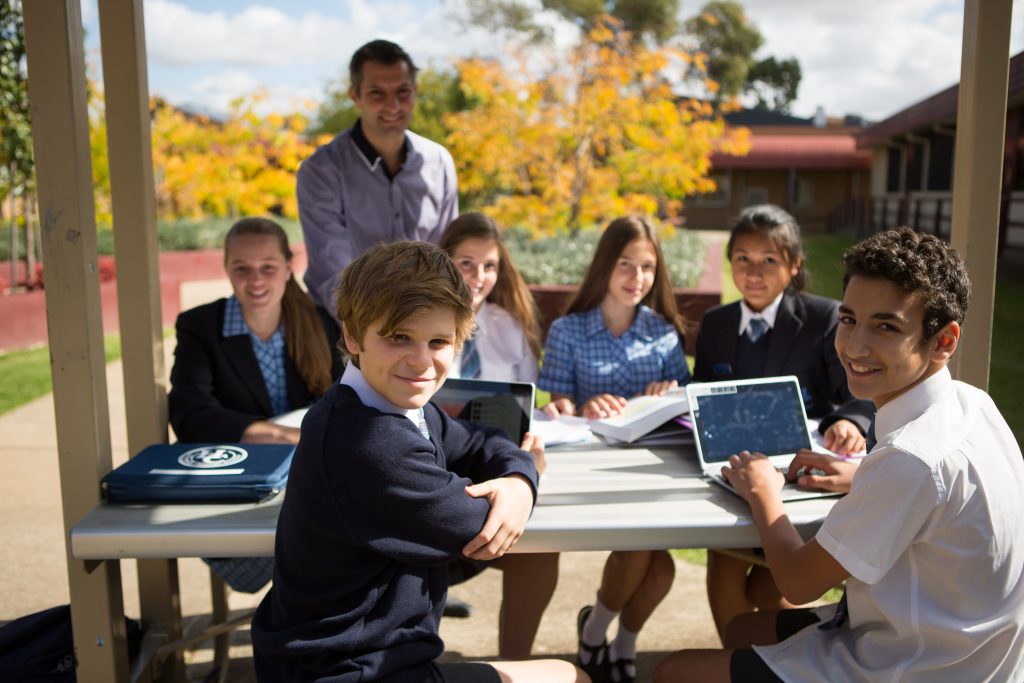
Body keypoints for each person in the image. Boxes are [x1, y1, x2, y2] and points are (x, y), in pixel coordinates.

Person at [655, 227, 1024, 682]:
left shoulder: (910, 461)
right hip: (970, 646)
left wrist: (764, 491)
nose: (854, 346)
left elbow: (798, 583)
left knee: (673, 671)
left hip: (918, 665)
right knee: (741, 629)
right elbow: (935, 493)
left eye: (886, 326)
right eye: (848, 319)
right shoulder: (973, 403)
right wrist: (861, 475)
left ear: (944, 341)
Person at [250, 241, 587, 682]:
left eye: (438, 341)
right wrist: (526, 477)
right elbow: (480, 527)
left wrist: (516, 478)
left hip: (357, 657)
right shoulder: (367, 439)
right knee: (569, 676)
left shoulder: (388, 405)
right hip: (349, 670)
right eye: (399, 337)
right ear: (352, 335)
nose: (421, 360)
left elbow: (483, 439)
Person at [694, 204, 874, 639]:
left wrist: (849, 421)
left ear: (794, 266)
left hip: (798, 470)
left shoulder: (824, 318)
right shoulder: (716, 324)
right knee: (724, 556)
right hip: (734, 466)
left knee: (769, 582)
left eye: (769, 260)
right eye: (743, 259)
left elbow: (859, 393)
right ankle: (734, 657)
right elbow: (702, 393)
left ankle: (773, 656)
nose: (754, 272)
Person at [539, 215, 690, 683]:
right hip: (593, 474)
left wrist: (668, 394)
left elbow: (685, 410)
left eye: (647, 267)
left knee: (661, 571)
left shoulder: (663, 333)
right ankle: (595, 637)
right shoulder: (567, 331)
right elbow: (558, 406)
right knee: (640, 556)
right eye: (625, 263)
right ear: (605, 264)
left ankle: (614, 639)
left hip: (651, 472)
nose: (636, 277)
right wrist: (580, 407)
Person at [168, 216, 342, 592]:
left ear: (288, 267)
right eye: (242, 268)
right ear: (226, 269)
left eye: (268, 267)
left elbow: (342, 403)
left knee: (339, 524)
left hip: (307, 476)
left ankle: (309, 607)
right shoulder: (201, 327)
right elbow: (190, 415)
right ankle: (307, 606)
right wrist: (278, 435)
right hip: (237, 482)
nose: (256, 280)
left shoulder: (321, 323)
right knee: (322, 543)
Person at [298, 39, 458, 318]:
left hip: (426, 324)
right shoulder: (321, 171)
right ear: (355, 95)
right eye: (377, 93)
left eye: (403, 91)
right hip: (346, 326)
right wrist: (385, 332)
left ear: (416, 91)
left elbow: (449, 257)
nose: (393, 105)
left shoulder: (439, 163)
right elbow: (334, 277)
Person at [440, 212, 542, 382]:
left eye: (489, 265)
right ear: (444, 263)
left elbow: (529, 395)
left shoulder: (514, 327)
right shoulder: (424, 325)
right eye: (466, 263)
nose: (479, 276)